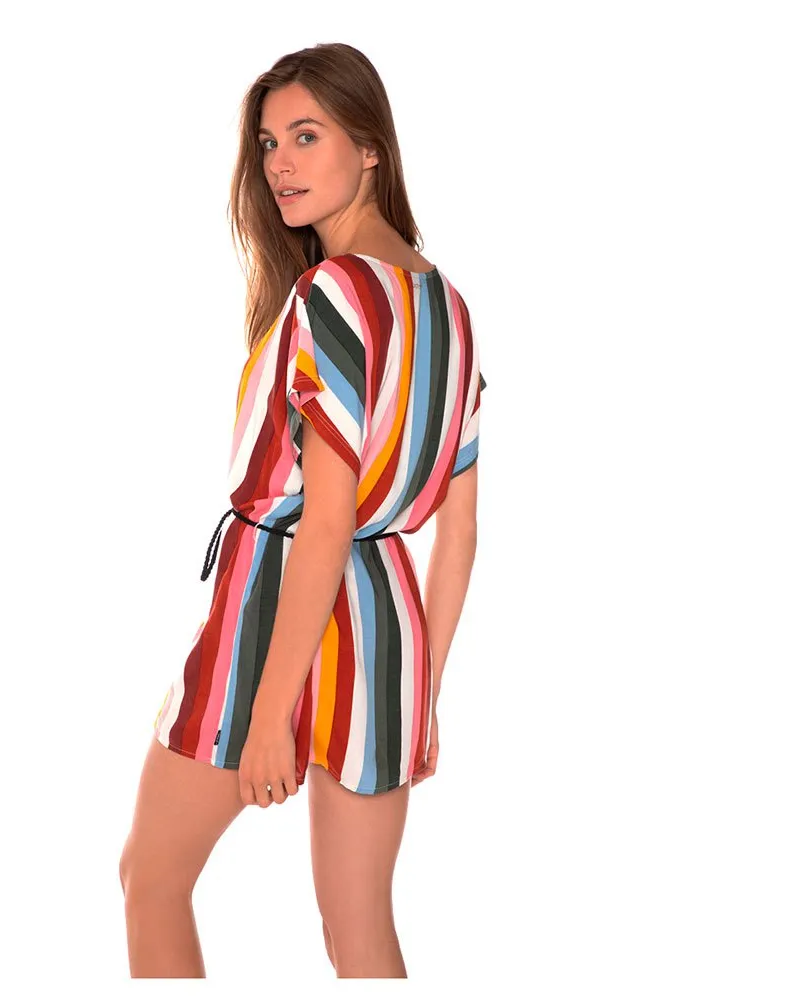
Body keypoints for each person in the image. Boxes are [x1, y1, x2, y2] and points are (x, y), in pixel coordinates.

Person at [119, 42, 485, 979]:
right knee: (359, 929)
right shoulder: (449, 307)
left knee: (151, 879)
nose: (279, 163)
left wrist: (270, 713)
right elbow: (459, 533)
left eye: (306, 136)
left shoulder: (333, 291)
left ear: (370, 147)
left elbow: (324, 523)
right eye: (269, 141)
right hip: (389, 621)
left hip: (272, 604)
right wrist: (420, 688)